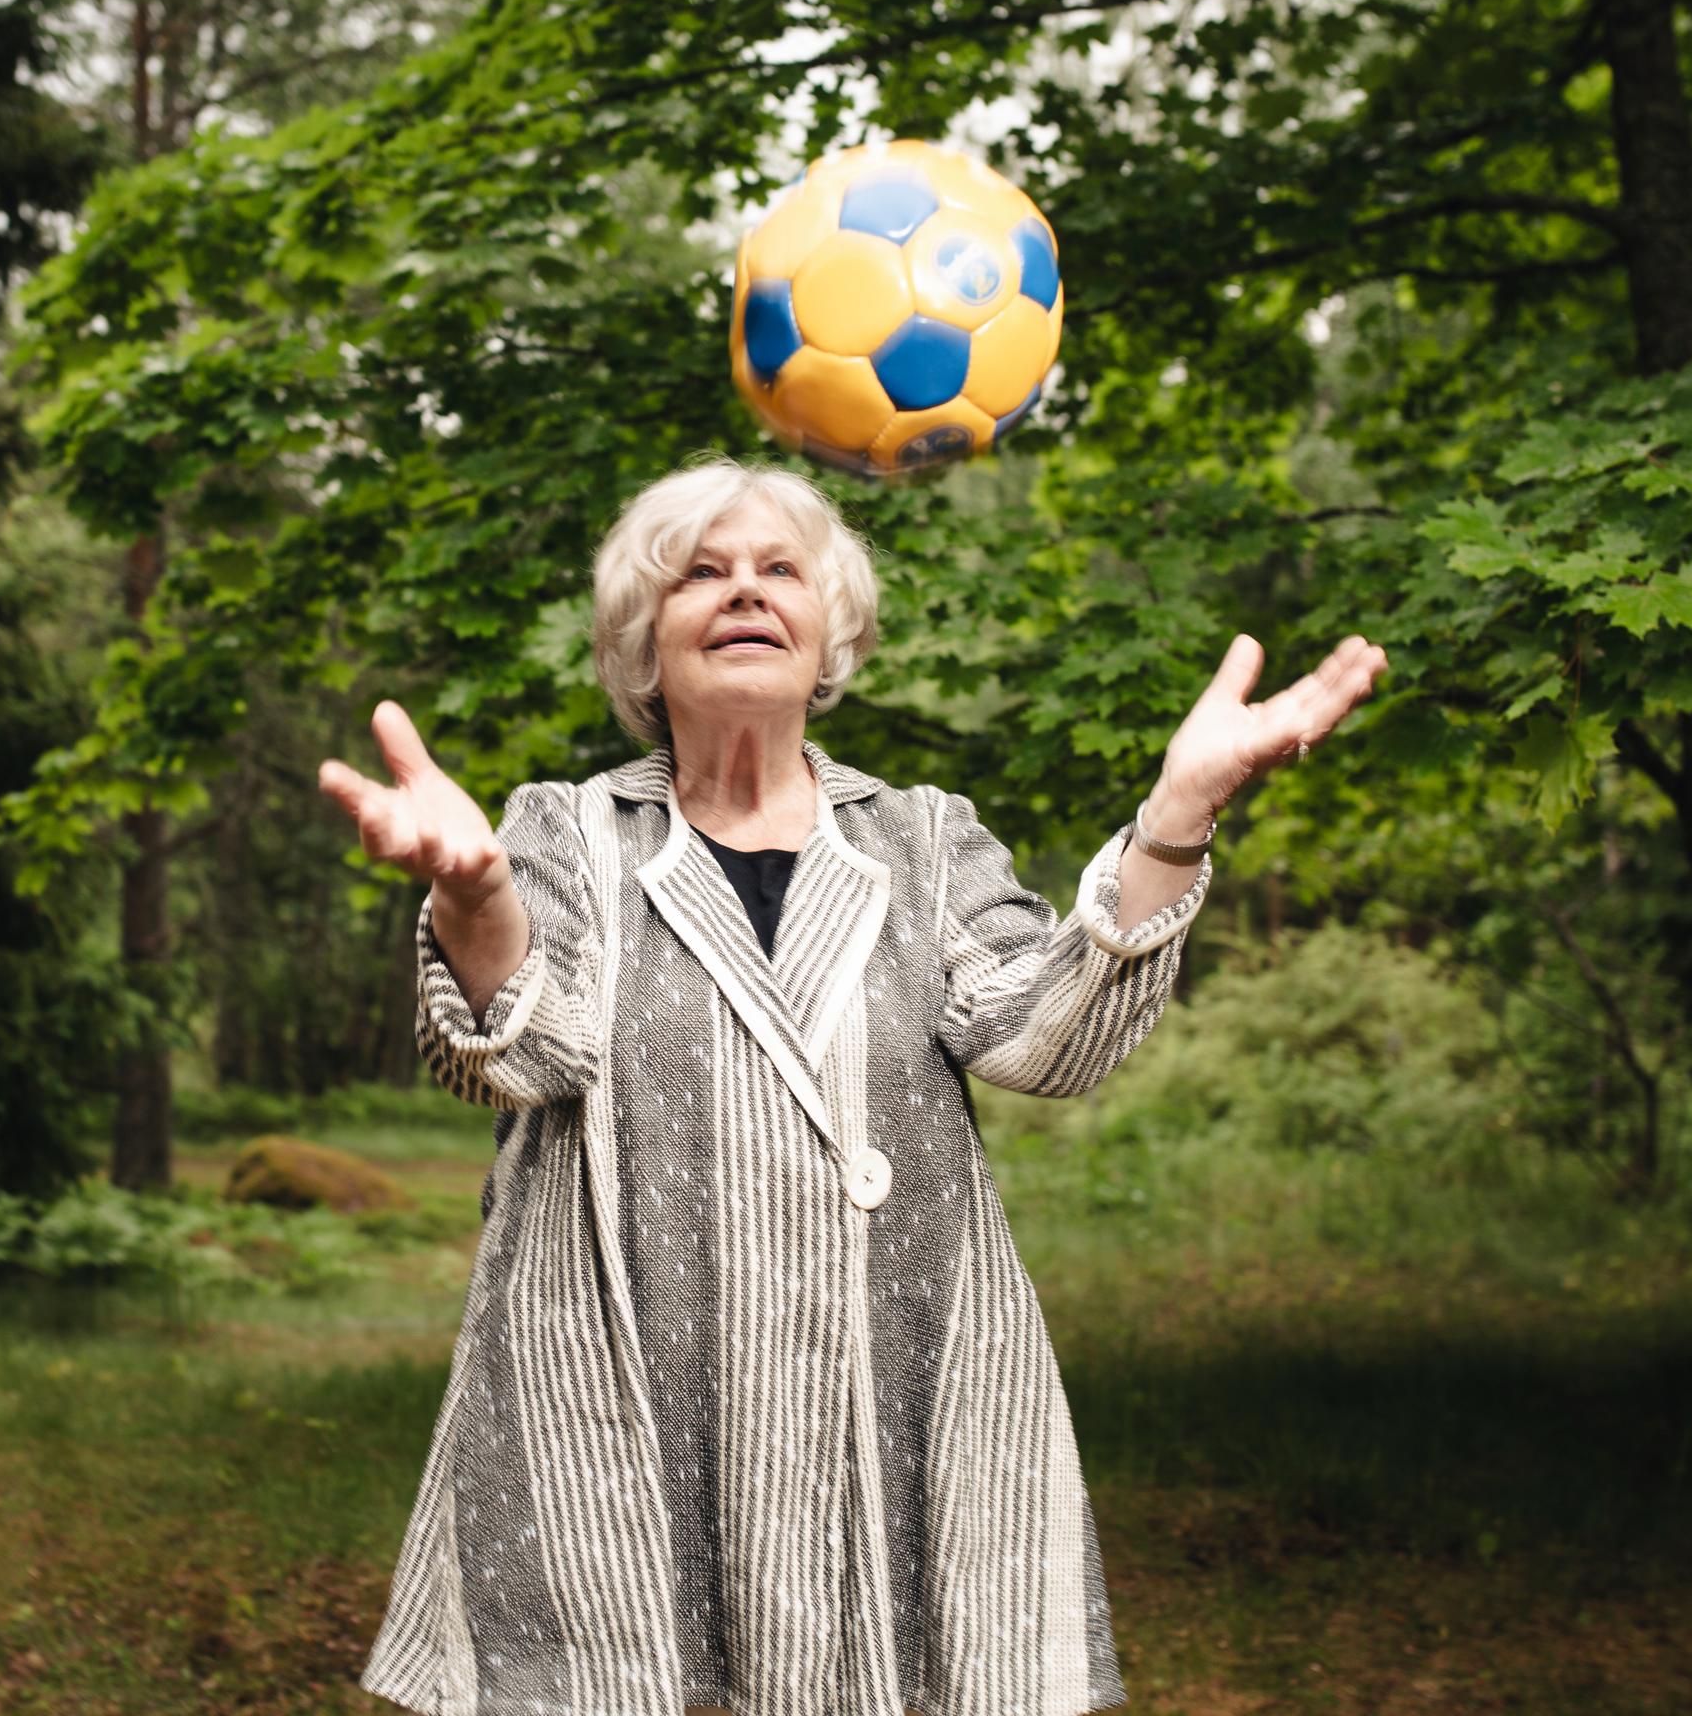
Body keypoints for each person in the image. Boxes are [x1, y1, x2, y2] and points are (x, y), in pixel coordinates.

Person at [320, 456, 1387, 1716]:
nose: (744, 591)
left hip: (889, 1398)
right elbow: (527, 1047)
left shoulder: (922, 837)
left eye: (779, 570)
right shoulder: (566, 830)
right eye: (701, 574)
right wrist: (475, 893)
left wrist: (1174, 813)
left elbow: (1044, 1038)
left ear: (829, 635)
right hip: (618, 1405)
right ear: (639, 649)